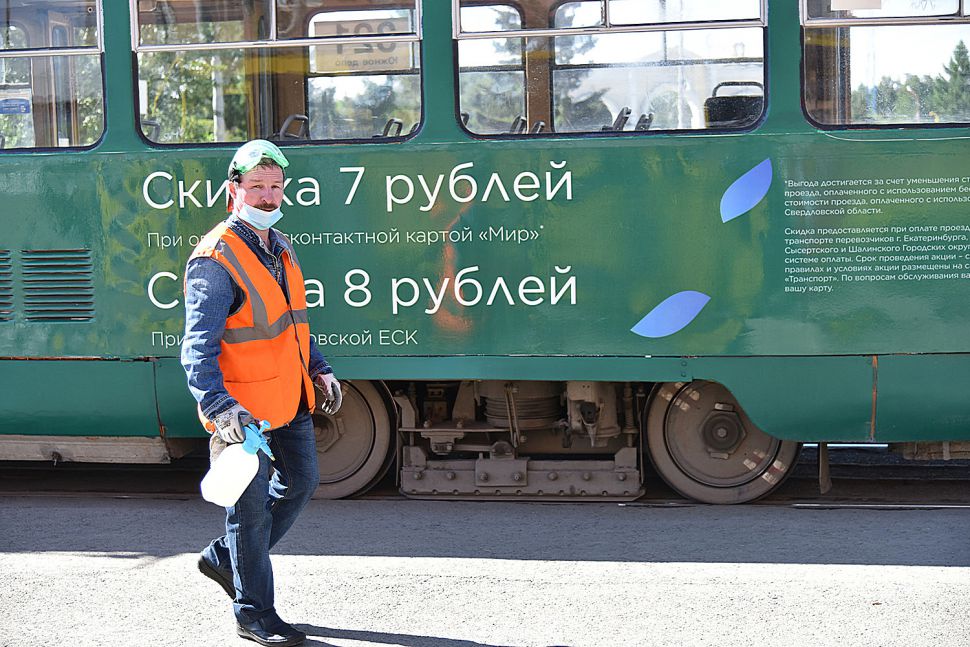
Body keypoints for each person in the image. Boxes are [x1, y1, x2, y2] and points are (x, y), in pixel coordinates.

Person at [180, 139, 342, 647]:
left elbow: (294, 324)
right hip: (242, 414)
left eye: (275, 186)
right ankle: (254, 613)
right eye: (257, 186)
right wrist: (218, 405)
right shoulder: (215, 259)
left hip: (288, 399)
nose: (268, 196)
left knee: (301, 483)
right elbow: (197, 347)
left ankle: (224, 558)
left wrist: (319, 368)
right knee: (248, 514)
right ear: (234, 190)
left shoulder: (280, 247)